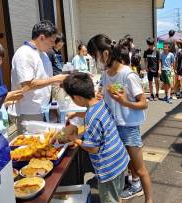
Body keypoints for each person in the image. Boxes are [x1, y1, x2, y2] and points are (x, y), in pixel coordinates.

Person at [87, 34, 152, 203]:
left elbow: (144, 103)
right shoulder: (106, 73)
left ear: (106, 54)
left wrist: (124, 102)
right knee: (121, 166)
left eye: (95, 56)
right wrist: (99, 95)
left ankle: (149, 199)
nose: (95, 61)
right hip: (112, 127)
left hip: (128, 128)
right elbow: (102, 93)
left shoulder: (128, 75)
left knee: (139, 169)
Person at [62, 72, 129, 203]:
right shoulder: (100, 103)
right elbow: (95, 116)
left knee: (110, 199)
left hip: (108, 167)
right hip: (120, 159)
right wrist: (76, 113)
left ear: (77, 97)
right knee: (117, 195)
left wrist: (75, 138)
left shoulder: (91, 117)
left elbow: (93, 148)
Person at [11, 20, 68, 133]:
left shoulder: (43, 54)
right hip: (29, 110)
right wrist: (55, 79)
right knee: (31, 145)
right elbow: (28, 84)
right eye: (52, 41)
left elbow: (45, 78)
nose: (53, 45)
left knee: (44, 142)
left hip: (43, 107)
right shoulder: (24, 54)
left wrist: (58, 82)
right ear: (42, 38)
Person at [47, 33, 66, 105]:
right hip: (55, 80)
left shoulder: (59, 52)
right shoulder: (50, 52)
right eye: (59, 41)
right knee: (59, 101)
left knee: (61, 100)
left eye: (62, 41)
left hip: (60, 79)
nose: (61, 43)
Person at [143, 37, 160, 101]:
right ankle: (151, 94)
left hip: (156, 69)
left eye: (151, 45)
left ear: (153, 44)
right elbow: (145, 59)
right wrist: (146, 66)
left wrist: (159, 69)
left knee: (156, 82)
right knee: (150, 82)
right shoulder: (146, 51)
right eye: (149, 45)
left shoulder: (157, 51)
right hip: (149, 70)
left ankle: (157, 94)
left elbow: (159, 61)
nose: (150, 46)